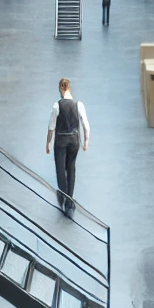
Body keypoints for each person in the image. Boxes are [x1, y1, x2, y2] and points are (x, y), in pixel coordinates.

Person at [45, 77, 90, 217]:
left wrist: (48, 143)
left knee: (60, 169)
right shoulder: (79, 105)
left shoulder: (57, 106)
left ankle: (64, 197)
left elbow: (51, 127)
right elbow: (85, 125)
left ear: (60, 89)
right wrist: (86, 142)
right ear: (69, 88)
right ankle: (70, 200)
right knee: (71, 167)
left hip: (61, 140)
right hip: (74, 139)